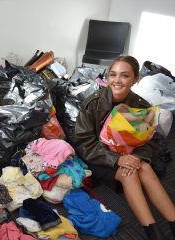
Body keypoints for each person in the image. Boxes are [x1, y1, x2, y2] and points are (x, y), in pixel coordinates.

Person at [72, 56, 175, 240]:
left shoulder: (142, 105)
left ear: (135, 79)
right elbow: (84, 143)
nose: (117, 80)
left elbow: (153, 141)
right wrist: (117, 159)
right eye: (113, 74)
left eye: (125, 75)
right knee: (130, 173)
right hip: (99, 159)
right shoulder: (92, 103)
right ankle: (153, 232)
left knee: (144, 166)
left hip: (131, 156)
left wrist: (137, 157)